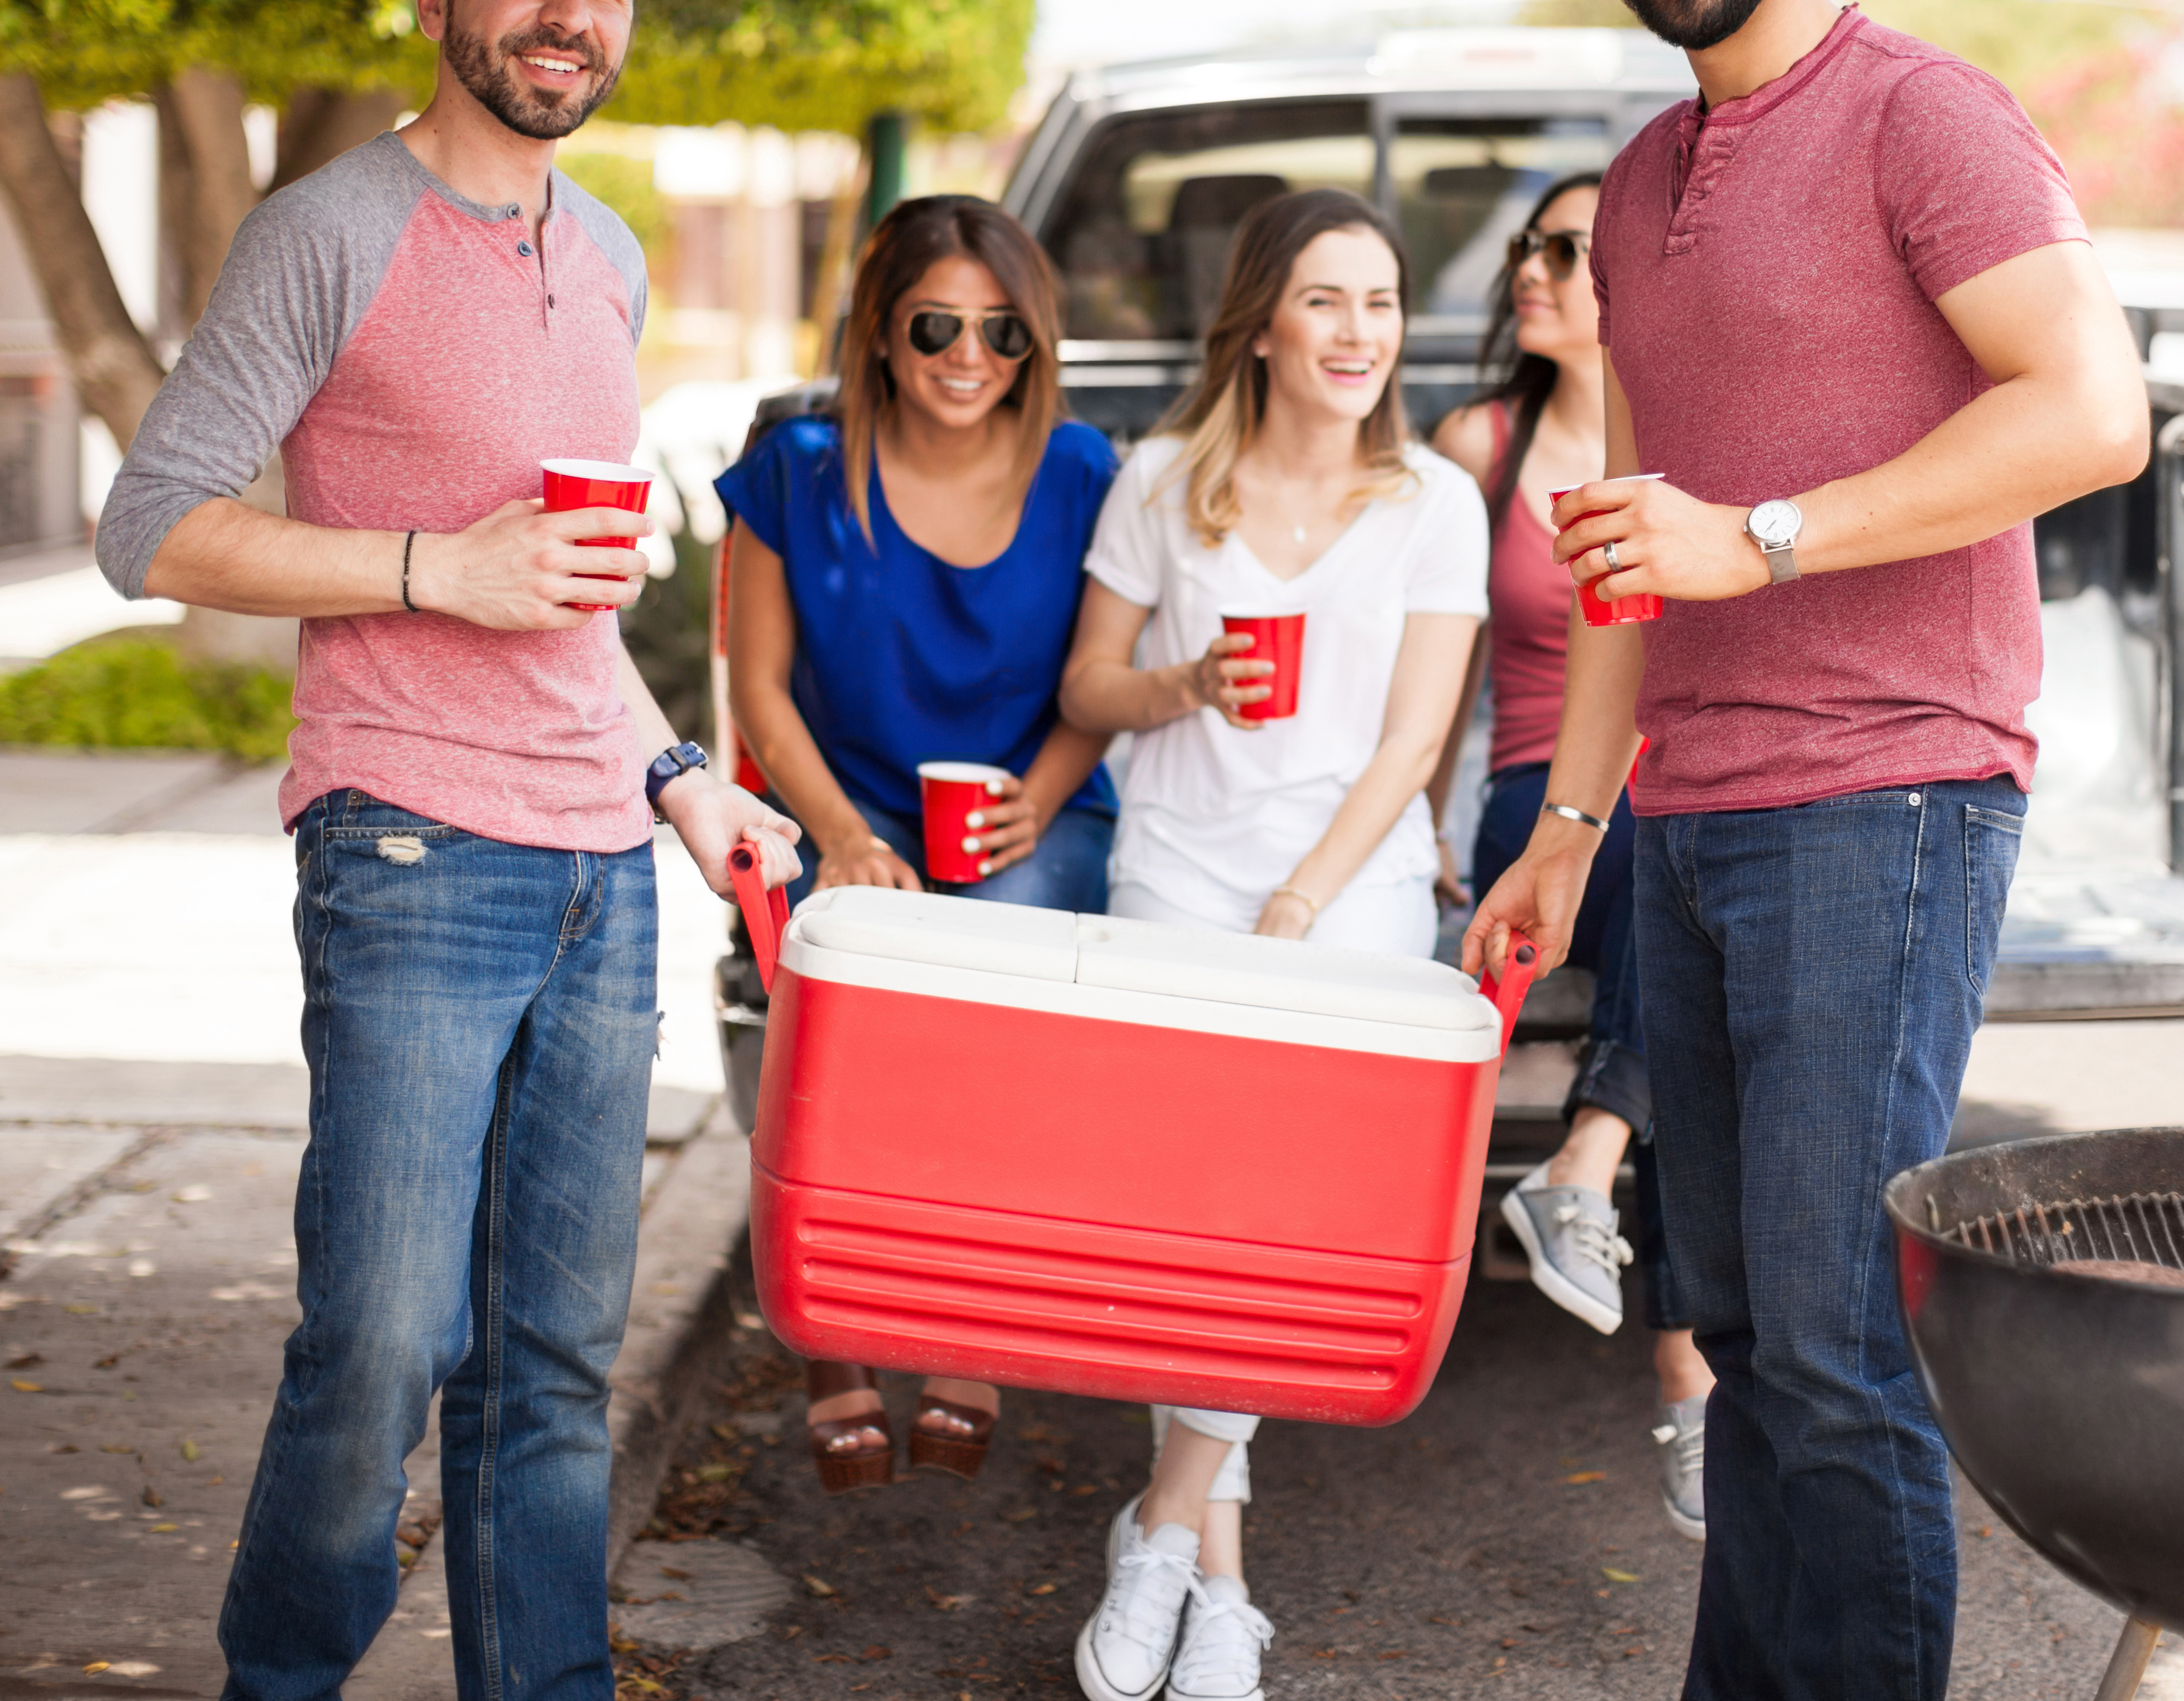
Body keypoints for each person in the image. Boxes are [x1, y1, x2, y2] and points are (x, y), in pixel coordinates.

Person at [1461, 0, 2150, 1701]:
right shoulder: (1645, 176)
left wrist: (1759, 536)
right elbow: (1623, 552)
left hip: (1886, 800)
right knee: (1746, 1331)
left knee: (1843, 1353)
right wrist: (1566, 839)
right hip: (1679, 825)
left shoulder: (1921, 115)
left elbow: (2085, 412)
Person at [95, 0, 799, 1701]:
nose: (566, 17)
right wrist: (435, 568)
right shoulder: (331, 231)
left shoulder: (614, 253)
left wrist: (679, 780)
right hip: (408, 845)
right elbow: (149, 525)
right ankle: (284, 1681)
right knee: (385, 1340)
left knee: (552, 1364)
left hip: (597, 869)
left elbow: (565, 606)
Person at [1055, 187, 1486, 1701]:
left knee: (1282, 1222)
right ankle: (1216, 1579)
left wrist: (1303, 902)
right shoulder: (1162, 480)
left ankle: (1163, 1525)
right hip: (1174, 871)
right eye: (1326, 300)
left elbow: (1414, 738)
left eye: (1380, 301)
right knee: (1193, 1221)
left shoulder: (1437, 501)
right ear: (1260, 321)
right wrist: (1183, 690)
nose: (1360, 331)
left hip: (1347, 891)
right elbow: (1087, 691)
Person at [713, 192, 1117, 1493]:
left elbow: (1100, 682)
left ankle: (963, 1323)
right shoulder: (797, 470)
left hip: (1027, 804)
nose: (969, 356)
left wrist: (1045, 796)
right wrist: (835, 833)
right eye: (937, 323)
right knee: (840, 1008)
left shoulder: (1085, 471)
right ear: (883, 332)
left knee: (1010, 995)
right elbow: (759, 690)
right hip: (844, 801)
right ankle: (827, 1334)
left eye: (1004, 334)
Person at [1425, 170, 1717, 1542]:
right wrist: (1423, 820)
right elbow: (1438, 659)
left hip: (1664, 806)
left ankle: (1585, 1172)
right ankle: (1688, 1382)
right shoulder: (1476, 444)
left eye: (1567, 250)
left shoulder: (1699, 450)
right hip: (1530, 799)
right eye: (1531, 249)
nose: (1534, 272)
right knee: (1675, 893)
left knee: (1688, 906)